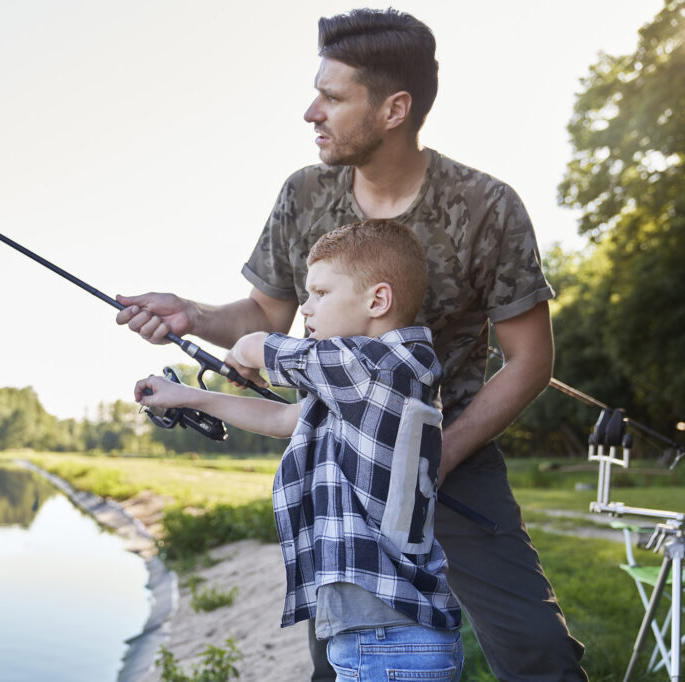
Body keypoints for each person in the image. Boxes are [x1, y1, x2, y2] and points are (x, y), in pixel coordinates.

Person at [117, 8, 587, 682]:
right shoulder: (304, 193)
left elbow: (530, 359)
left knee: (538, 650)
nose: (312, 111)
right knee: (342, 658)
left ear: (394, 109)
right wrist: (188, 313)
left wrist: (437, 456)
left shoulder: (488, 205)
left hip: (459, 453)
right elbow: (265, 315)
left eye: (333, 97)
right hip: (341, 462)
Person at [136, 220, 464, 680]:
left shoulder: (386, 367)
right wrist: (188, 397)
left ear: (378, 301)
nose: (305, 309)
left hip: (390, 642)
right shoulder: (353, 382)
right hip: (372, 636)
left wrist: (248, 348)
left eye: (320, 294)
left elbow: (266, 347)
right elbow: (285, 419)